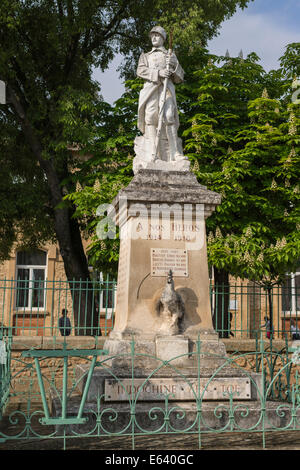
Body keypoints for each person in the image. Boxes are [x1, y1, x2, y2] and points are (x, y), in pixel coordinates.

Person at [136, 25, 185, 163]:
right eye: (152, 35)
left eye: (157, 35)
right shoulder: (145, 56)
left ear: (163, 38)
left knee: (169, 116)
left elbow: (179, 77)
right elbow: (140, 71)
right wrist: (158, 73)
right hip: (151, 90)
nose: (154, 38)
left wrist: (174, 67)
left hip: (166, 89)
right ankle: (153, 152)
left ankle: (175, 153)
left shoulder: (170, 56)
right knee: (150, 118)